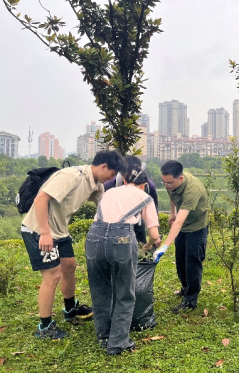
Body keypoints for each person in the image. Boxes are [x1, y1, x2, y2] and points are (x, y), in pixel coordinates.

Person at [21, 150, 126, 340]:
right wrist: (45, 233)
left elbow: (105, 207)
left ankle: (70, 310)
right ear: (103, 167)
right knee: (52, 275)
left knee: (69, 267)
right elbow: (40, 199)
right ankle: (45, 327)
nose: (111, 179)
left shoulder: (96, 184)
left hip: (60, 231)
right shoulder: (72, 177)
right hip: (39, 229)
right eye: (112, 174)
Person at [86, 162, 160, 355]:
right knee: (125, 293)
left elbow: (99, 219)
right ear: (145, 185)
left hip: (94, 237)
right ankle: (118, 342)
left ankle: (104, 336)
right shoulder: (145, 197)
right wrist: (148, 245)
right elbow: (154, 234)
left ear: (125, 180)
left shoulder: (109, 192)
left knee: (100, 290)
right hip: (121, 240)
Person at [154, 160, 209, 313]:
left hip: (197, 226)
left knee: (192, 261)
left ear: (180, 179)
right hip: (183, 224)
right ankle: (185, 288)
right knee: (180, 259)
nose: (166, 186)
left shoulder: (192, 189)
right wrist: (172, 212)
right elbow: (172, 196)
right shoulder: (170, 183)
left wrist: (164, 247)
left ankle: (191, 300)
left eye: (169, 183)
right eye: (163, 182)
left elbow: (178, 223)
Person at [104, 156, 160, 246]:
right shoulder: (110, 185)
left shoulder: (149, 186)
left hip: (138, 222)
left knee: (140, 248)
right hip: (113, 226)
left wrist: (155, 232)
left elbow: (154, 211)